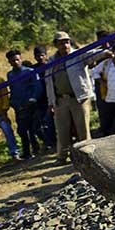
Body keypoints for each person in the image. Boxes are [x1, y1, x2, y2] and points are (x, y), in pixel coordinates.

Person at [45, 31, 95, 162]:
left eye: (66, 42)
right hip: (60, 100)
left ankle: (88, 155)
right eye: (61, 43)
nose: (65, 45)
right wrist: (51, 102)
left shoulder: (78, 55)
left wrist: (106, 52)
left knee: (83, 130)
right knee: (62, 131)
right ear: (56, 45)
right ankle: (62, 156)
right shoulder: (51, 62)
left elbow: (93, 55)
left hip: (79, 98)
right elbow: (49, 83)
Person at [6, 49, 44, 159]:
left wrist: (33, 99)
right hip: (19, 106)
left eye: (17, 60)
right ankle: (27, 152)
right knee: (22, 131)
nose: (16, 62)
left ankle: (41, 147)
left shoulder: (29, 71)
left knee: (34, 129)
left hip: (31, 104)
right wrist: (13, 103)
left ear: (21, 59)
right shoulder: (10, 75)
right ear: (9, 62)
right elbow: (12, 89)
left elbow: (37, 87)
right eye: (13, 60)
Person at [31, 46, 56, 149]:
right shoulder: (33, 69)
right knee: (43, 124)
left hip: (53, 97)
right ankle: (52, 143)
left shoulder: (51, 66)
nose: (40, 57)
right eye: (38, 56)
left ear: (46, 55)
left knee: (53, 121)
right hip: (40, 101)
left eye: (42, 55)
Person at [0, 83, 20, 161]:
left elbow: (5, 97)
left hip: (0, 114)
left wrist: (4, 112)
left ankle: (15, 154)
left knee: (8, 131)